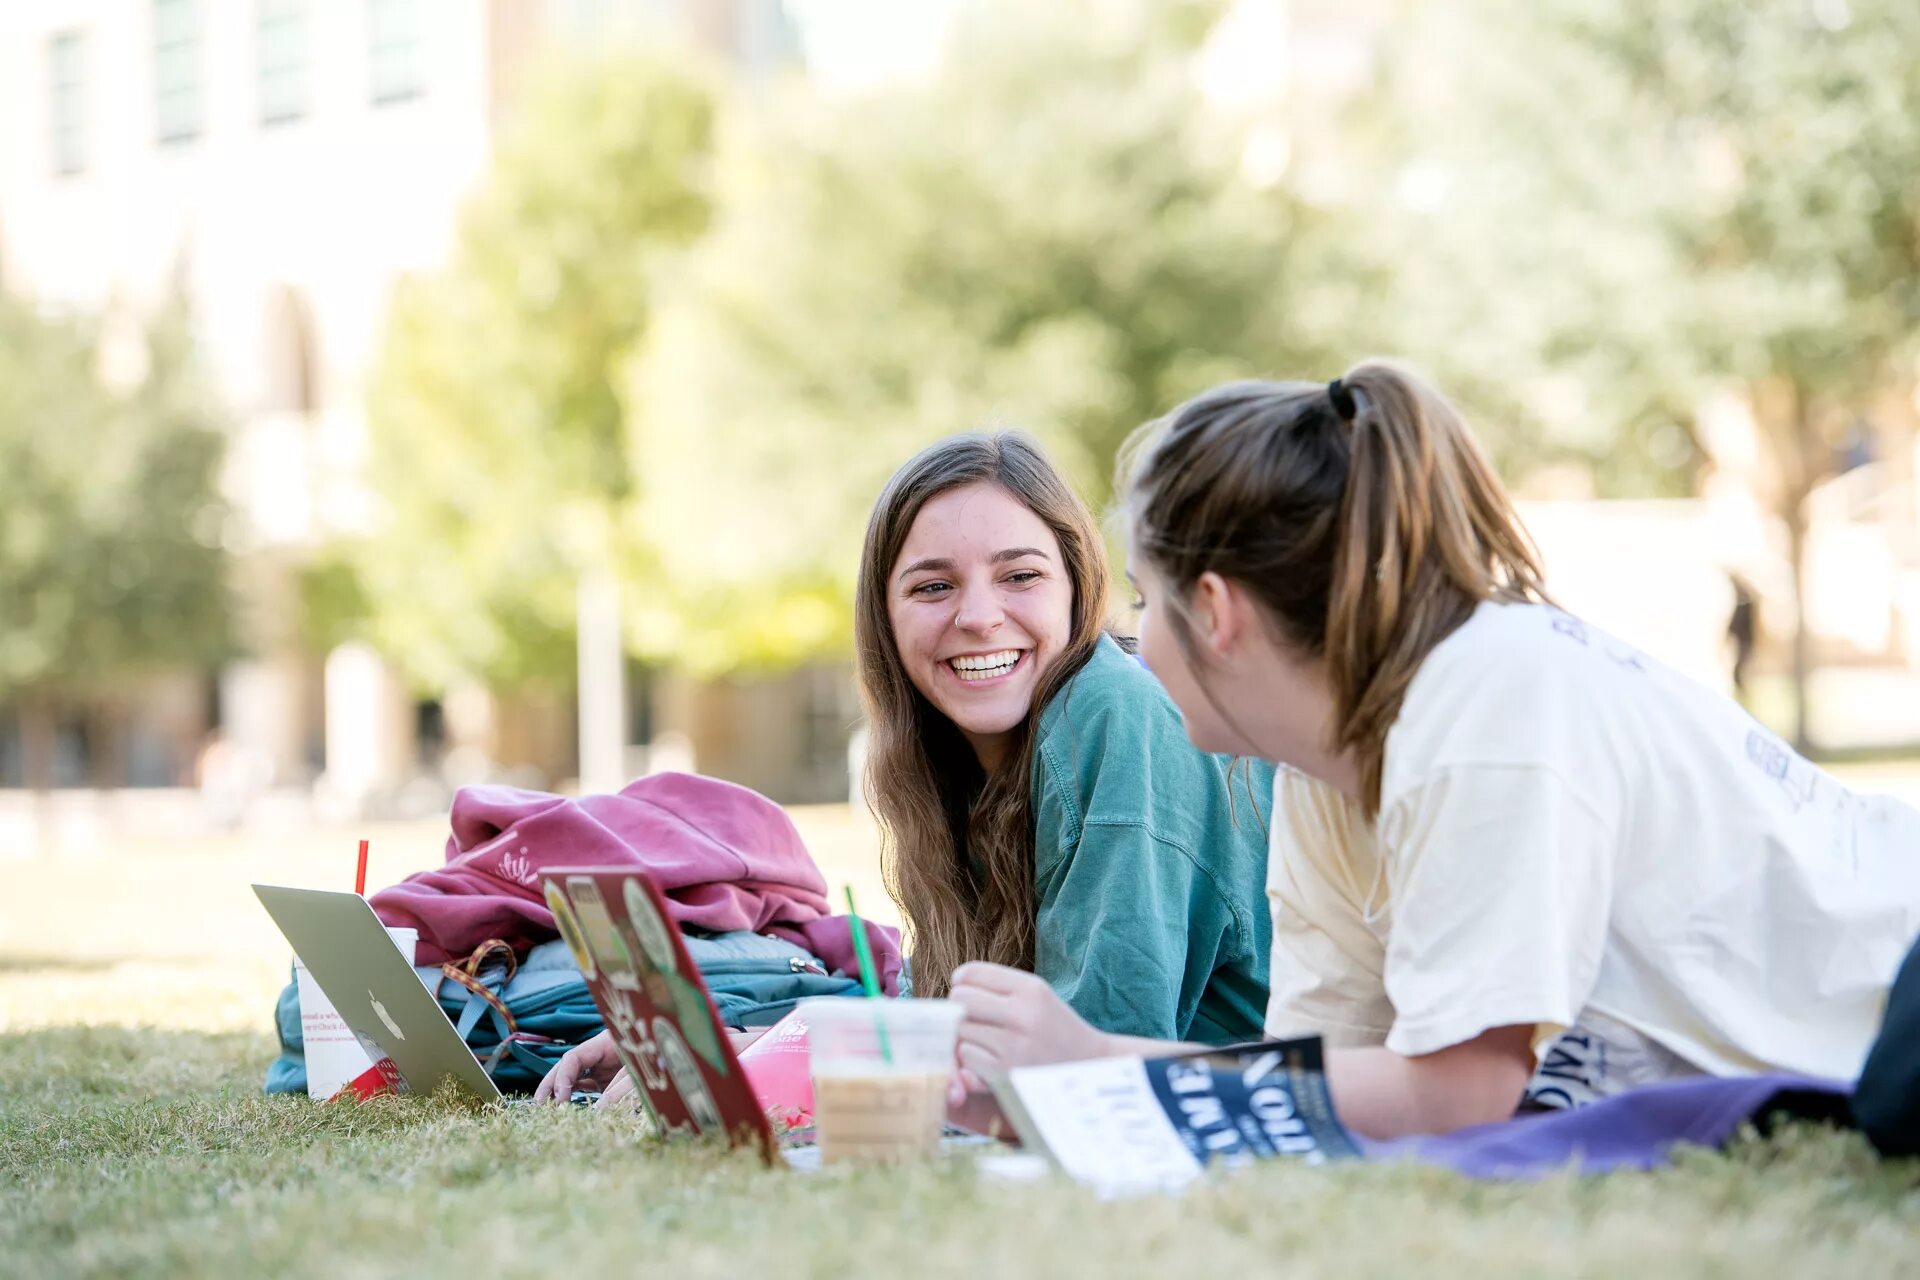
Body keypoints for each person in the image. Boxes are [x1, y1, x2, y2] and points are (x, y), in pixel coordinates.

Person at [949, 362, 1920, 1141]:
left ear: (1215, 608)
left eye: (1145, 598)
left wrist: (1101, 1064)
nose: (1135, 634)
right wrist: (1067, 1101)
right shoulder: (1322, 770)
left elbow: (1463, 1093)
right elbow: (1329, 1083)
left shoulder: (1486, 698)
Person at [537, 431, 1273, 1103]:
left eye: (1020, 576)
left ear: (1077, 587)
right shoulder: (954, 763)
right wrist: (748, 1050)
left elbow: (1082, 1064)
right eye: (932, 586)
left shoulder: (1116, 713)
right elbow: (953, 1033)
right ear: (884, 617)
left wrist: (782, 1077)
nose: (980, 616)